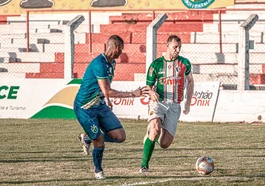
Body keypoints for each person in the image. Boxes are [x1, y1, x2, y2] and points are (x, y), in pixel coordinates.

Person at [74, 35, 147, 179]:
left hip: (100, 105)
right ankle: (98, 171)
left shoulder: (112, 63)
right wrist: (132, 94)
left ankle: (87, 139)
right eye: (122, 49)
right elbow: (107, 90)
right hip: (86, 108)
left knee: (120, 136)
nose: (122, 52)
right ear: (116, 47)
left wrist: (107, 100)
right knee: (100, 141)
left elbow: (104, 88)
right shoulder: (99, 63)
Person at [139, 35, 194, 173]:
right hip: (158, 103)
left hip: (174, 105)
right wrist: (152, 93)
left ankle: (153, 137)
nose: (177, 50)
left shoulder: (184, 63)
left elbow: (191, 81)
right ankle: (144, 166)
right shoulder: (156, 65)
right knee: (155, 129)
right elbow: (148, 87)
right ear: (167, 46)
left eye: (179, 47)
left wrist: (187, 102)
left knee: (164, 144)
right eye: (175, 47)